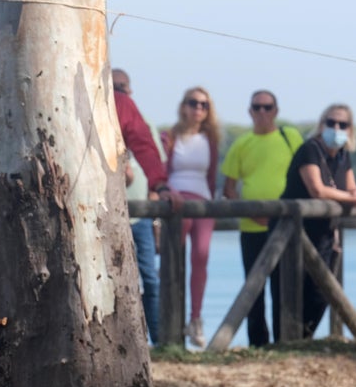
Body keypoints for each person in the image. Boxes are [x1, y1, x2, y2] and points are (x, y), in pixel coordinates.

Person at [277, 104, 356, 338]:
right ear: (321, 125)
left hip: (325, 235)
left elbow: (350, 187)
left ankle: (304, 338)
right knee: (291, 290)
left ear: (350, 130)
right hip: (292, 232)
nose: (336, 128)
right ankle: (287, 341)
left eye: (343, 124)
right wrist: (351, 197)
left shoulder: (343, 155)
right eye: (331, 123)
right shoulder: (309, 149)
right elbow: (317, 189)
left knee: (321, 293)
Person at [220, 90, 305, 347]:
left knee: (285, 288)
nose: (262, 112)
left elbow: (304, 175)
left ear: (276, 111)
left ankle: (285, 341)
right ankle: (257, 344)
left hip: (287, 226)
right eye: (257, 107)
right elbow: (229, 188)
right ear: (249, 111)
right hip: (251, 228)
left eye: (267, 107)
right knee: (254, 290)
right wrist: (251, 213)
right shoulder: (241, 144)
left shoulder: (290, 136)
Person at [112, 69, 173, 345]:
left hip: (138, 213)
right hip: (104, 213)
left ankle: (157, 339)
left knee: (149, 276)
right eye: (113, 85)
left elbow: (148, 150)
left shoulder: (130, 110)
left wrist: (159, 186)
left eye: (122, 86)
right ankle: (127, 339)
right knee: (116, 279)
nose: (118, 91)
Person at [163, 86, 220, 348]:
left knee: (201, 255)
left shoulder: (211, 138)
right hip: (177, 199)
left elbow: (212, 175)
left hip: (203, 200)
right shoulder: (171, 136)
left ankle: (195, 318)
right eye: (193, 103)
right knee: (174, 258)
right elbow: (163, 170)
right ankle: (169, 317)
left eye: (203, 104)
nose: (198, 108)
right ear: (183, 105)